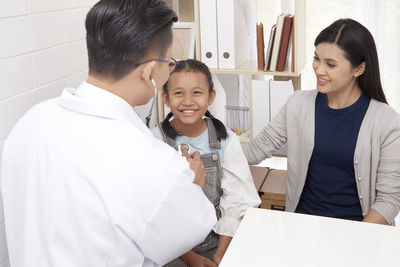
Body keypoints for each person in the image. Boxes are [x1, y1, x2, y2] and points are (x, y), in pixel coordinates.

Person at [0, 1, 217, 266]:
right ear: (148, 71)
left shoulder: (31, 122)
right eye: (169, 64)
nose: (168, 71)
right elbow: (190, 227)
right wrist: (191, 184)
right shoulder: (155, 165)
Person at [243, 18, 400, 225]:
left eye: (331, 64)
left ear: (359, 69)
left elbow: (389, 199)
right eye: (317, 59)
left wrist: (357, 241)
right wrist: (205, 150)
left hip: (358, 232)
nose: (318, 69)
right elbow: (256, 150)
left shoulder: (387, 122)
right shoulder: (297, 103)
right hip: (302, 226)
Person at [152, 59, 261, 266]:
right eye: (178, 93)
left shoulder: (225, 140)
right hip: (170, 251)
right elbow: (155, 213)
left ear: (211, 96)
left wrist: (220, 255)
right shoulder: (154, 141)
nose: (188, 101)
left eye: (196, 92)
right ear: (165, 97)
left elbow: (238, 201)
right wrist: (190, 258)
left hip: (218, 245)